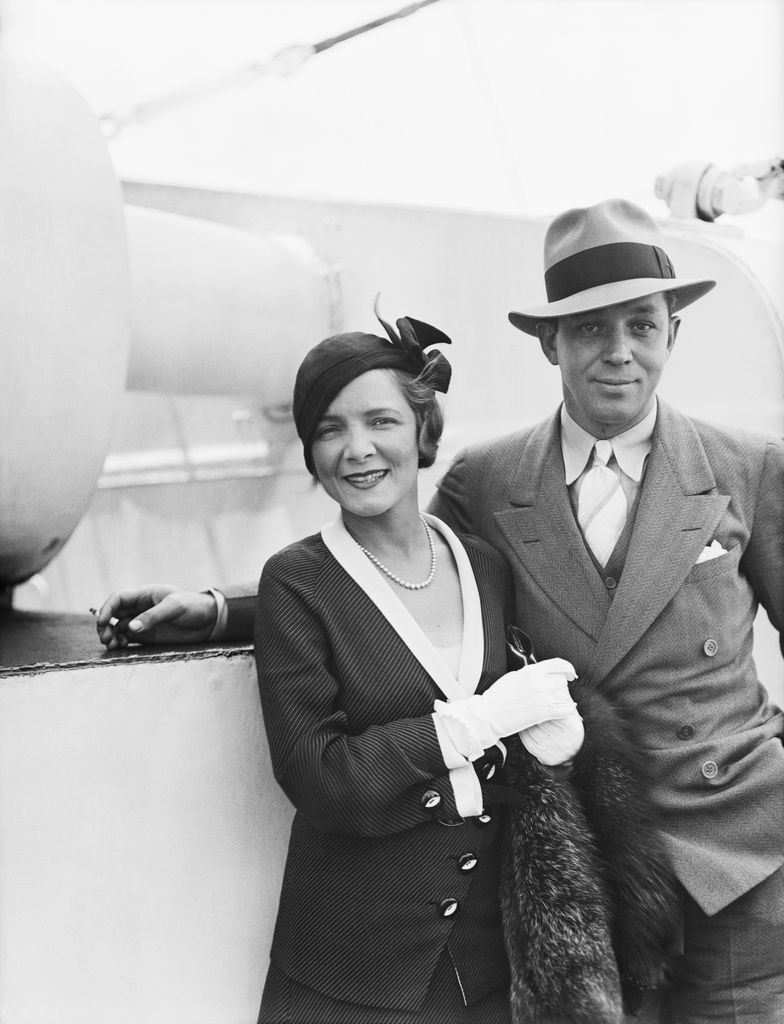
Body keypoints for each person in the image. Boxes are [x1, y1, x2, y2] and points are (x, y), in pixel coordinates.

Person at [97, 198, 784, 1022]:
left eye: (642, 325)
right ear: (549, 341)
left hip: (736, 858)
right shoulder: (488, 482)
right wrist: (216, 611)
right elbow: (393, 585)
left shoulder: (748, 468)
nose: (620, 353)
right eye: (592, 330)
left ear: (674, 331)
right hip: (584, 866)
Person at [247, 314, 587, 1022]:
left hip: (491, 963)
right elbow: (319, 775)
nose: (358, 449)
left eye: (381, 421)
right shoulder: (295, 582)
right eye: (330, 429)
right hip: (357, 973)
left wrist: (545, 730)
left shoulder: (482, 565)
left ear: (423, 431)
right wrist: (472, 724)